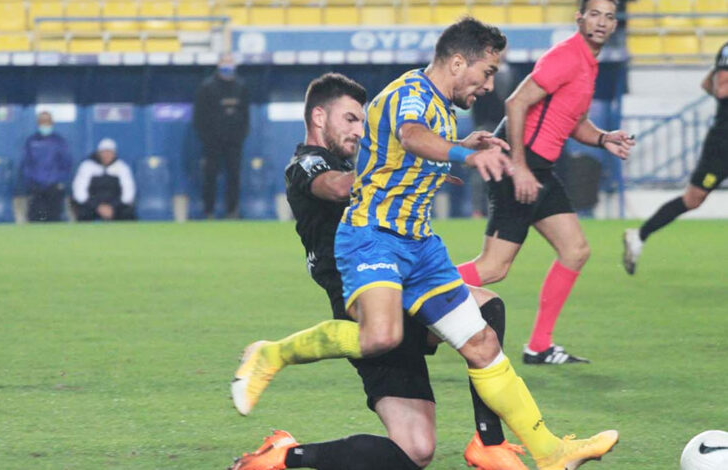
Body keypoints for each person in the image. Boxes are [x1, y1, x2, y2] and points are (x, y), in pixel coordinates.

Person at [231, 17, 618, 470]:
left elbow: (412, 146)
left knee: (482, 342)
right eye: (487, 72)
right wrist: (464, 154)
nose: (489, 86)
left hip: (420, 247)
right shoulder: (409, 94)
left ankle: (550, 452)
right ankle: (272, 354)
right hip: (374, 241)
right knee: (382, 336)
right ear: (457, 63)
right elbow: (411, 136)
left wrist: (459, 143)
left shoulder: (442, 107)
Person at [230, 73, 526, 470]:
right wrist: (407, 167)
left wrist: (422, 170)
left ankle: (488, 441)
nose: (359, 130)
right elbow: (338, 187)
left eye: (362, 121)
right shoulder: (305, 165)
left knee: (487, 310)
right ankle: (286, 454)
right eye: (350, 119)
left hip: (399, 287)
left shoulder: (356, 166)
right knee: (414, 450)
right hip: (364, 306)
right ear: (319, 117)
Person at [455, 0, 636, 365]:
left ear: (615, 24)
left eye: (608, 16)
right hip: (520, 165)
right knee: (493, 268)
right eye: (594, 14)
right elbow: (515, 103)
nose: (601, 22)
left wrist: (603, 138)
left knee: (575, 250)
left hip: (540, 169)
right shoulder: (566, 56)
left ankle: (539, 346)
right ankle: (410, 290)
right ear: (579, 18)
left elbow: (574, 122)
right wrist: (519, 167)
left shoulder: (588, 62)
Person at [623, 40, 728, 274]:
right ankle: (639, 235)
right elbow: (719, 89)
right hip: (723, 144)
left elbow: (708, 84)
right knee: (693, 199)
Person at [193, 53, 250, 219]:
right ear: (218, 65)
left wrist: (240, 136)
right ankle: (208, 211)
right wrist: (206, 138)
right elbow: (199, 117)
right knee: (210, 176)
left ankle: (232, 211)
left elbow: (245, 115)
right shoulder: (207, 87)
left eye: (230, 62)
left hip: (234, 142)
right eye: (225, 62)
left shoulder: (241, 86)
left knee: (234, 176)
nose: (228, 65)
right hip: (212, 142)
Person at [469, 50, 518, 218]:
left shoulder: (514, 74)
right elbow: (476, 100)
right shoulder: (481, 74)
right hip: (487, 126)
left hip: (509, 128)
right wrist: (479, 126)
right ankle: (477, 210)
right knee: (481, 167)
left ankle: (500, 208)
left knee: (506, 166)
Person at [20, 111, 72, 222]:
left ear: (52, 123)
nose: (44, 124)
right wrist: (30, 181)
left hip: (54, 187)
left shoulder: (59, 141)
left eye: (47, 121)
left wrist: (60, 181)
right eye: (42, 121)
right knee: (35, 218)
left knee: (54, 219)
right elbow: (26, 164)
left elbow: (66, 163)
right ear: (38, 123)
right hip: (35, 187)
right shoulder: (31, 141)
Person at [72, 138, 136, 221]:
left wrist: (112, 206)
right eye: (104, 152)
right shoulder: (87, 166)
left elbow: (128, 192)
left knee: (127, 214)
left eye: (110, 152)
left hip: (116, 206)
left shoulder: (122, 167)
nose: (107, 155)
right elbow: (79, 191)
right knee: (83, 214)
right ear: (99, 153)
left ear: (114, 154)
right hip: (91, 205)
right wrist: (97, 206)